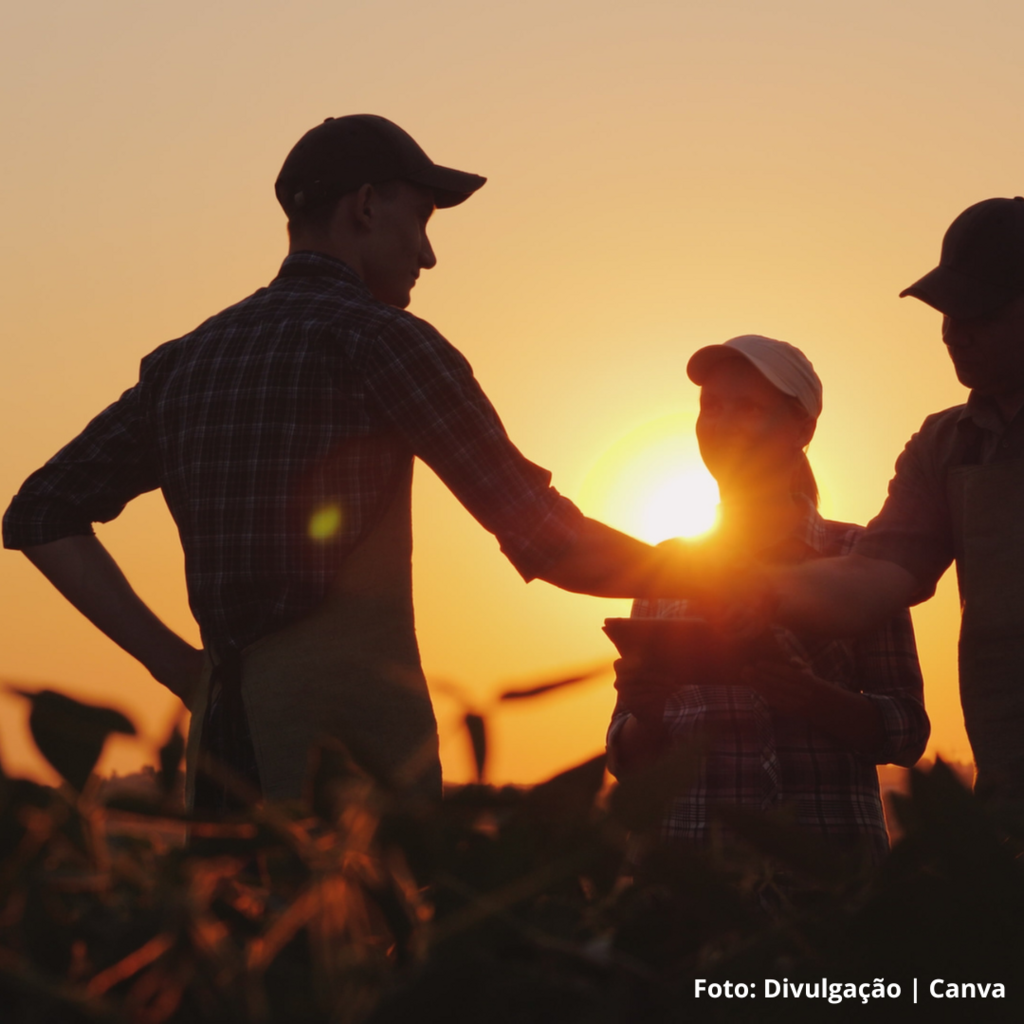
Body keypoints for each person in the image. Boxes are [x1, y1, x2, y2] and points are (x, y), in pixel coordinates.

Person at [2, 114, 686, 811]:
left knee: (232, 921)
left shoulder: (186, 362)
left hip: (221, 757)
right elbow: (551, 540)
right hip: (355, 773)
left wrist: (180, 667)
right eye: (420, 219)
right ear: (364, 206)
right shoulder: (383, 343)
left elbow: (40, 513)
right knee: (361, 921)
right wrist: (716, 581)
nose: (427, 255)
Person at [607, 336, 929, 863]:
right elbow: (627, 756)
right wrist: (647, 711)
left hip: (828, 876)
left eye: (749, 407)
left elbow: (907, 732)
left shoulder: (860, 558)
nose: (723, 423)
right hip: (691, 880)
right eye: (711, 406)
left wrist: (812, 697)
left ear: (803, 429)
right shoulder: (664, 567)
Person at [753, 198, 1024, 805]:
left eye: (978, 310)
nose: (954, 332)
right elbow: (873, 577)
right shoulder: (947, 445)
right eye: (946, 310)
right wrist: (741, 587)